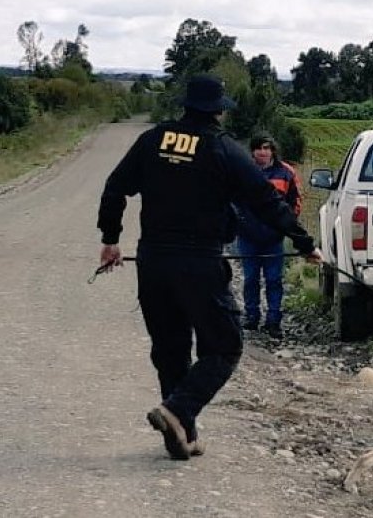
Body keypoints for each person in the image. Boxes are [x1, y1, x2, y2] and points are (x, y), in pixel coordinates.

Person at [96, 74, 322, 460]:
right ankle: (178, 410)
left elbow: (115, 187)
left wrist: (111, 239)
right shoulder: (224, 149)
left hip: (153, 261)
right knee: (225, 346)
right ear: (218, 111)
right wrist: (304, 243)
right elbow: (266, 201)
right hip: (199, 262)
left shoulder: (153, 140)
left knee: (170, 349)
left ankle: (181, 434)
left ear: (186, 105)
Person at [233, 135, 303, 339]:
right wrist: (240, 222)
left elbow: (295, 201)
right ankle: (251, 316)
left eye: (266, 148)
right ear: (252, 151)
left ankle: (274, 320)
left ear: (273, 150)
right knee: (250, 279)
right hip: (248, 236)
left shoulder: (286, 172)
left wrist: (286, 225)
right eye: (259, 148)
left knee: (274, 280)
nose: (262, 152)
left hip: (274, 238)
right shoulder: (243, 171)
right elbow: (232, 200)